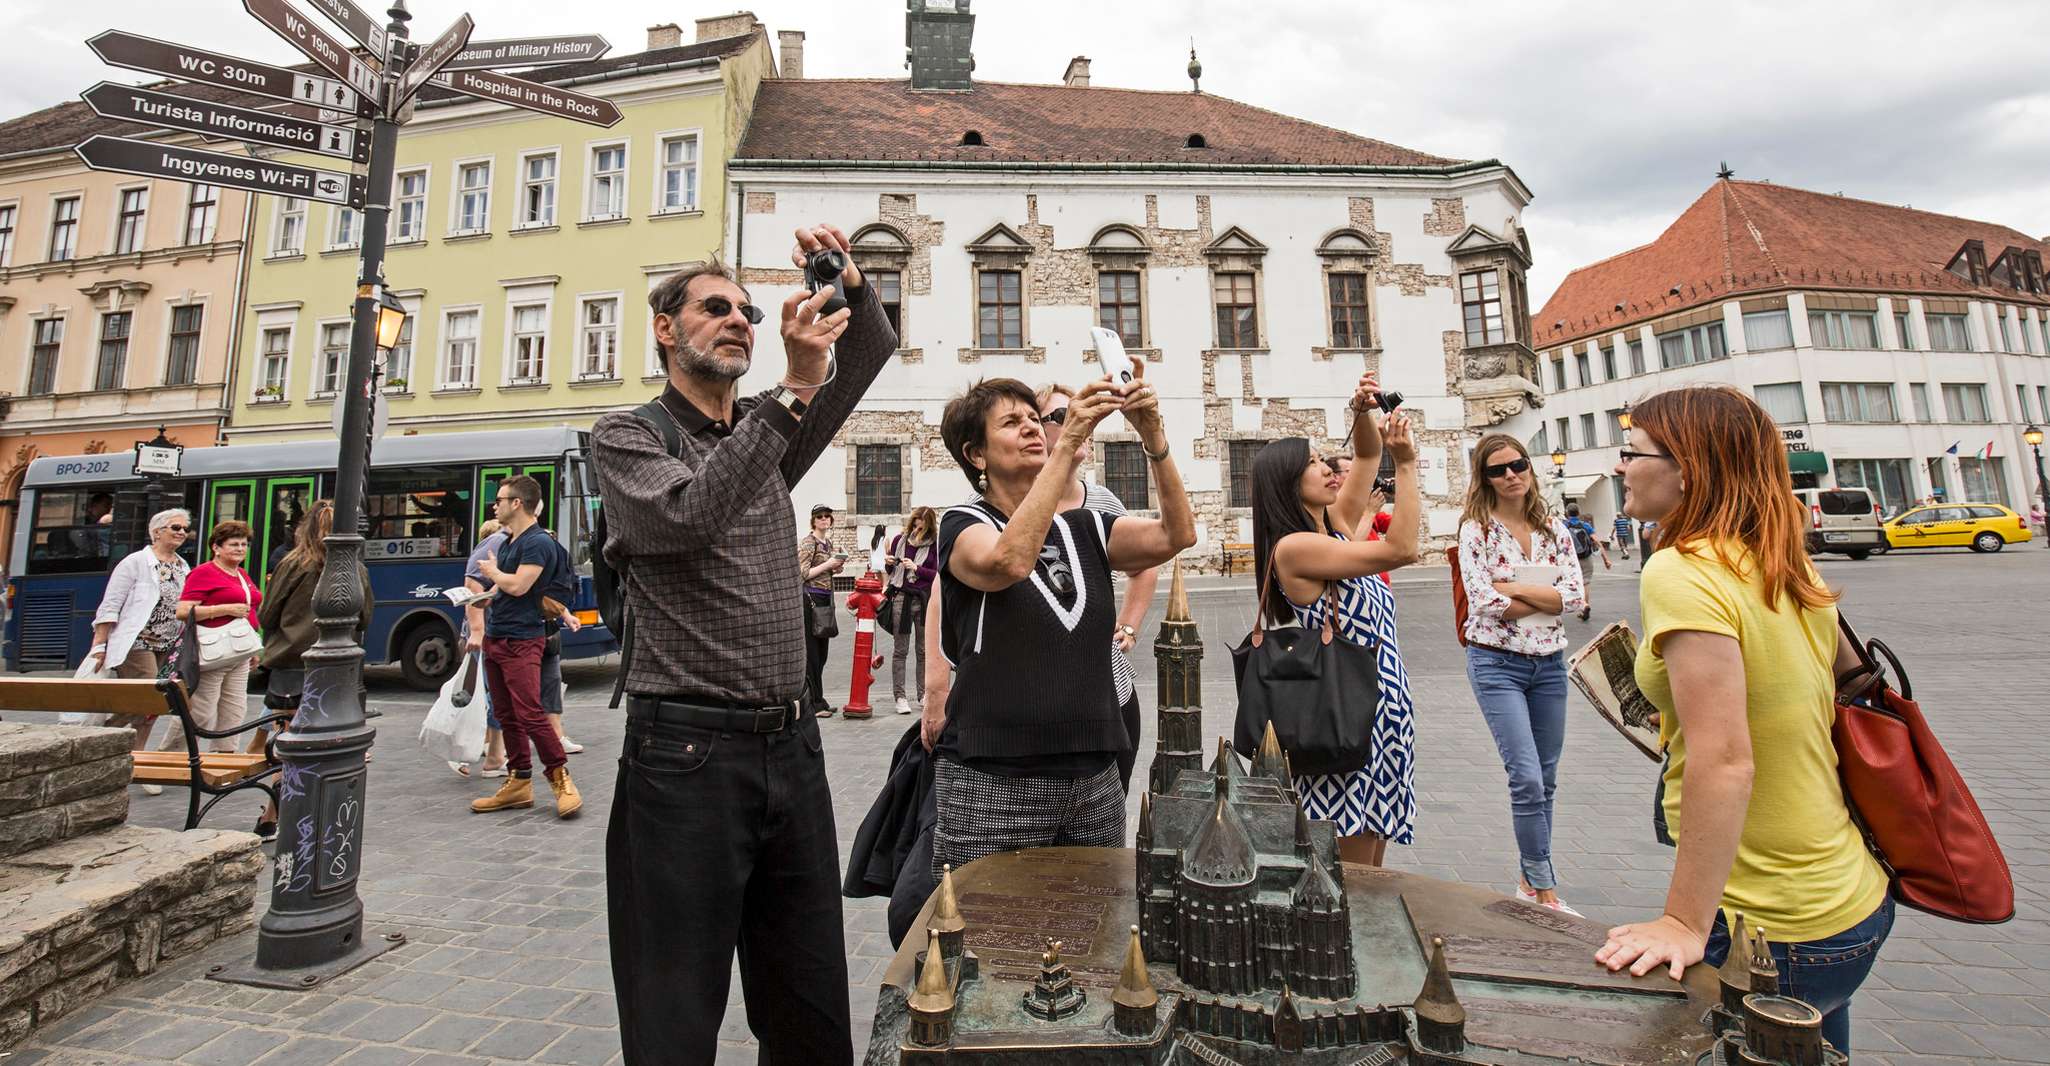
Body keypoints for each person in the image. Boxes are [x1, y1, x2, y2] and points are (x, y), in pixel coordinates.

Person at [591, 225, 898, 1066]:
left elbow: (870, 350)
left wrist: (845, 281)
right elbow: (689, 514)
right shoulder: (628, 438)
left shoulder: (767, 434)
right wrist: (793, 389)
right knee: (673, 1014)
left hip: (792, 752)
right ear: (665, 328)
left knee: (809, 1009)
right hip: (684, 762)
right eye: (714, 307)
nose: (737, 321)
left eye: (748, 311)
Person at [1596, 386, 1891, 1054]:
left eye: (1631, 451)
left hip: (1769, 921)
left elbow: (1726, 759)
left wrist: (1681, 922)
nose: (1620, 467)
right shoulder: (1778, 553)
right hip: (1850, 895)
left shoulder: (1679, 569)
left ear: (1688, 471)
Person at [930, 366, 1193, 881]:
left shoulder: (1089, 524)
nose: (1031, 427)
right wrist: (1067, 437)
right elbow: (1008, 562)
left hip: (1094, 776)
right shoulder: (963, 524)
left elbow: (1176, 533)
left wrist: (1154, 436)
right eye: (1011, 422)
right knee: (995, 942)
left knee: (1093, 936)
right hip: (997, 781)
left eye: (1035, 418)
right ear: (975, 455)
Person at [1249, 375, 1419, 867]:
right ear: (1287, 483)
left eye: (1324, 460)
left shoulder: (1335, 527)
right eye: (1313, 465)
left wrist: (1360, 411)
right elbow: (1402, 549)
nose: (1328, 469)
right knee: (1355, 876)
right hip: (1345, 717)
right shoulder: (1297, 547)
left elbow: (1365, 459)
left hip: (1382, 714)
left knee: (1374, 856)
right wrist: (1406, 464)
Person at [1457, 434, 1589, 914]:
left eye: (1518, 465)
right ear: (1484, 478)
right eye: (1498, 469)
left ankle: (1528, 882)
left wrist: (1511, 587)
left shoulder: (1554, 529)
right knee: (1527, 779)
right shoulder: (1476, 531)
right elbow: (1483, 603)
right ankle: (1545, 890)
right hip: (1497, 664)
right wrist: (1539, 594)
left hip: (1550, 665)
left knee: (1546, 778)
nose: (1511, 475)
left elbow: (1575, 598)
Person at [1032, 383, 1162, 790]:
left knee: (1105, 829)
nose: (1080, 423)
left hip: (1112, 696)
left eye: (1083, 414)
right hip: (1042, 706)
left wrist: (1129, 625)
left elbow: (1147, 563)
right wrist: (937, 688)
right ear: (1035, 431)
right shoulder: (1008, 503)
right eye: (1062, 416)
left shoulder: (1102, 501)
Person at [256, 500, 371, 838]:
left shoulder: (292, 564)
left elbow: (266, 615)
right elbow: (365, 616)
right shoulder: (355, 569)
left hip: (291, 666)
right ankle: (313, 815)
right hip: (338, 671)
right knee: (329, 744)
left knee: (289, 743)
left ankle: (276, 814)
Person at [468, 474, 580, 818]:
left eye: (500, 499)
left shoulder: (536, 543)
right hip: (499, 636)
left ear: (517, 503)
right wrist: (487, 596)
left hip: (522, 639)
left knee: (530, 711)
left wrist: (493, 572)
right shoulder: (510, 541)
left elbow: (518, 585)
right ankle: (518, 782)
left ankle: (561, 778)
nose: (495, 505)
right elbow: (509, 591)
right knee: (505, 714)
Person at [88, 508, 192, 753]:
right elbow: (110, 604)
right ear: (157, 532)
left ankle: (138, 757)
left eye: (185, 529)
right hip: (137, 642)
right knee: (150, 695)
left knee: (152, 706)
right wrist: (99, 645)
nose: (182, 533)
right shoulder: (135, 562)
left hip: (169, 644)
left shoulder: (183, 566)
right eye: (176, 528)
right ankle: (103, 735)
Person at [166, 520, 262, 756]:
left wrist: (254, 650)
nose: (240, 549)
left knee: (235, 709)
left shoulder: (241, 574)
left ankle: (224, 758)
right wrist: (223, 609)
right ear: (216, 548)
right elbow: (182, 612)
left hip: (238, 651)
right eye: (233, 544)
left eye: (244, 544)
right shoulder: (203, 573)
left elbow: (248, 611)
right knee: (202, 710)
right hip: (212, 651)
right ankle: (170, 755)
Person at [884, 507, 938, 716]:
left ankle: (922, 694)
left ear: (929, 527)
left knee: (923, 651)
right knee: (901, 650)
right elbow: (892, 573)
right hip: (901, 599)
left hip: (925, 601)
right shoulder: (900, 540)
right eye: (914, 525)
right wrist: (889, 562)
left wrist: (917, 568)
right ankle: (900, 697)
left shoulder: (934, 544)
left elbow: (937, 574)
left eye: (921, 527)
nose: (917, 530)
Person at [798, 504, 847, 717]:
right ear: (813, 520)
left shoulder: (827, 543)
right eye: (820, 517)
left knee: (823, 653)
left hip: (825, 599)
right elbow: (802, 573)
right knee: (813, 655)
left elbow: (826, 570)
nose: (825, 520)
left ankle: (819, 699)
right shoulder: (809, 543)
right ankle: (814, 704)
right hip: (810, 599)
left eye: (828, 516)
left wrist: (836, 567)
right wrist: (828, 565)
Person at [1563, 504, 1599, 621]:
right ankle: (1585, 606)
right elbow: (1596, 541)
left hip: (1572, 558)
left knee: (1572, 581)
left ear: (1567, 513)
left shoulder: (1564, 525)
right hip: (1586, 557)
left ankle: (1580, 605)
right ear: (1579, 512)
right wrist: (1606, 559)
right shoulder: (1586, 525)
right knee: (1586, 582)